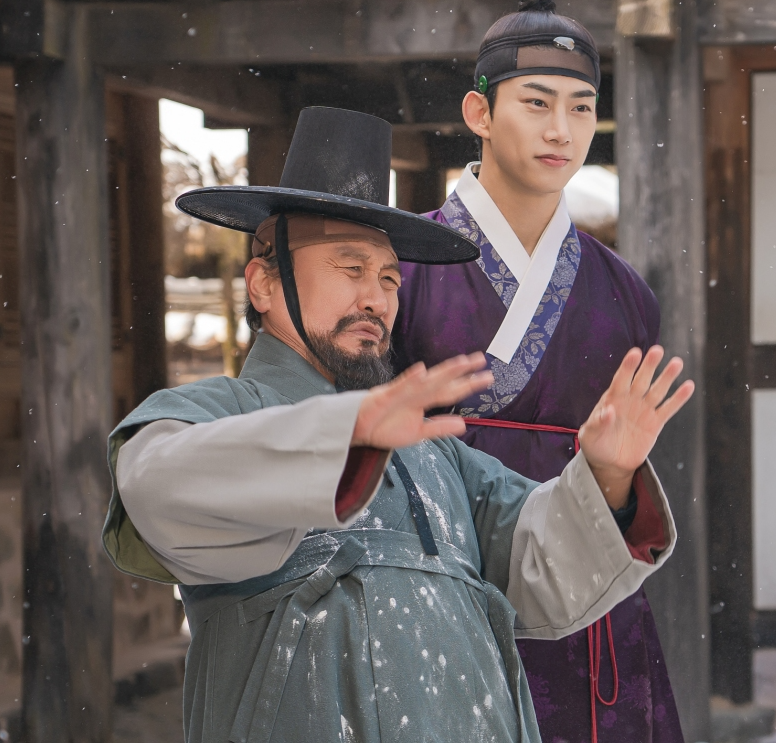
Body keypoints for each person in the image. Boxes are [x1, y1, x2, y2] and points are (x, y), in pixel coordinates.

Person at [103, 105, 692, 743]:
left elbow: (538, 560)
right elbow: (155, 483)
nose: (376, 299)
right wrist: (344, 433)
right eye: (350, 269)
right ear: (264, 285)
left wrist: (605, 475)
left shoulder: (435, 453)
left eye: (388, 278)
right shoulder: (219, 414)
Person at [396, 0, 684, 743]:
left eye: (581, 108)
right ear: (479, 113)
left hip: (586, 599)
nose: (562, 130)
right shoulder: (403, 269)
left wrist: (615, 474)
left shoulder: (624, 294)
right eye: (537, 103)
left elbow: (626, 475)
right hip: (443, 585)